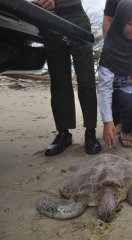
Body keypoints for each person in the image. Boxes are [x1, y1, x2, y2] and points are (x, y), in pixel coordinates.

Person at [37, 0, 101, 156]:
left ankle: (90, 131)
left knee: (86, 80)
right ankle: (63, 133)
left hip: (76, 15)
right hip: (49, 18)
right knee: (59, 81)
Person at [98, 0, 132, 148]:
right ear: (120, 21)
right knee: (131, 106)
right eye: (130, 23)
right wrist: (107, 121)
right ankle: (125, 130)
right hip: (117, 92)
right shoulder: (110, 47)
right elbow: (104, 88)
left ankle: (124, 123)